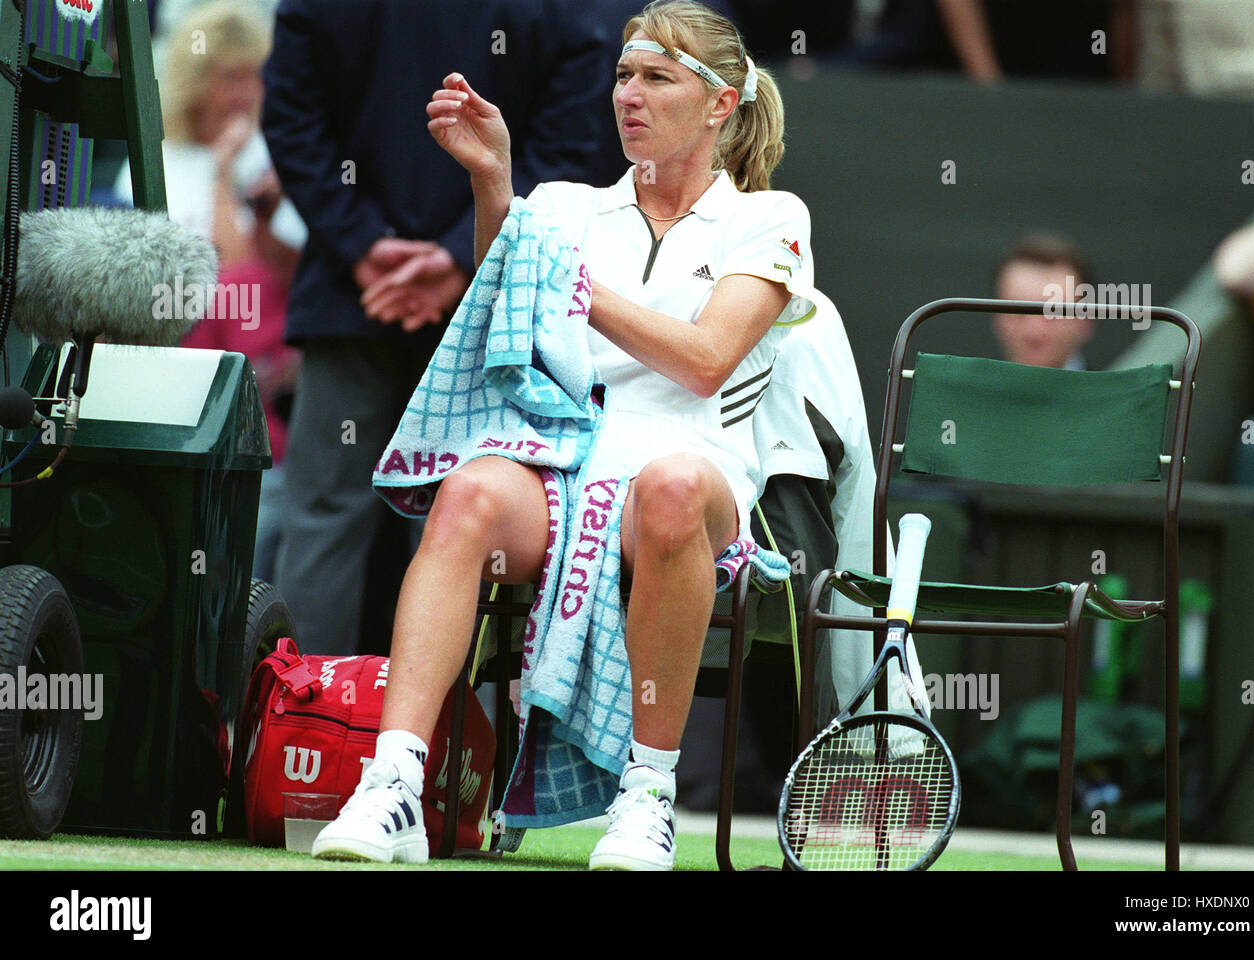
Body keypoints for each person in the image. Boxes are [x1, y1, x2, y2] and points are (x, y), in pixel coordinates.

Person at [311, 0, 813, 870]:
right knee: (466, 491)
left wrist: (575, 286)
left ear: (722, 104)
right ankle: (393, 782)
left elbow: (703, 361)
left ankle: (648, 793)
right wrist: (493, 183)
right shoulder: (560, 204)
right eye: (623, 75)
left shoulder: (771, 219)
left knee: (668, 489)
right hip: (569, 455)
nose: (630, 95)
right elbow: (510, 302)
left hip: (699, 471)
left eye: (657, 78)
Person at [261, 0, 617, 656]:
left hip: (358, 293)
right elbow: (573, 145)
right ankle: (448, 750)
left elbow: (290, 118)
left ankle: (305, 731)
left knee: (324, 518)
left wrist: (365, 246)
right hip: (494, 302)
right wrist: (458, 258)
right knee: (462, 529)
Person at [114, 0, 305, 583]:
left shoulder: (278, 161)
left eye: (254, 77)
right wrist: (222, 172)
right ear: (197, 81)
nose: (244, 92)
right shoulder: (151, 163)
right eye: (229, 77)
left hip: (265, 392)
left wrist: (242, 188)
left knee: (256, 543)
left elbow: (264, 274)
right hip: (176, 380)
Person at [992, 231, 1096, 370]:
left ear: (1086, 319)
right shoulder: (968, 390)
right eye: (1018, 313)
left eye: (1053, 312)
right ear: (997, 318)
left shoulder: (1116, 390)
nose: (1034, 331)